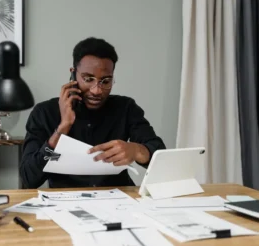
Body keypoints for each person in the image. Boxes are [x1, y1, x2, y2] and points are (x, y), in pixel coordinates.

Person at [20, 37, 166, 188]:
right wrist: (62, 128)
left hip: (119, 200)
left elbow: (160, 156)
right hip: (65, 202)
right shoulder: (44, 112)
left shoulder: (126, 108)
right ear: (73, 74)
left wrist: (136, 150)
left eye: (106, 81)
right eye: (88, 79)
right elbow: (29, 178)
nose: (97, 90)